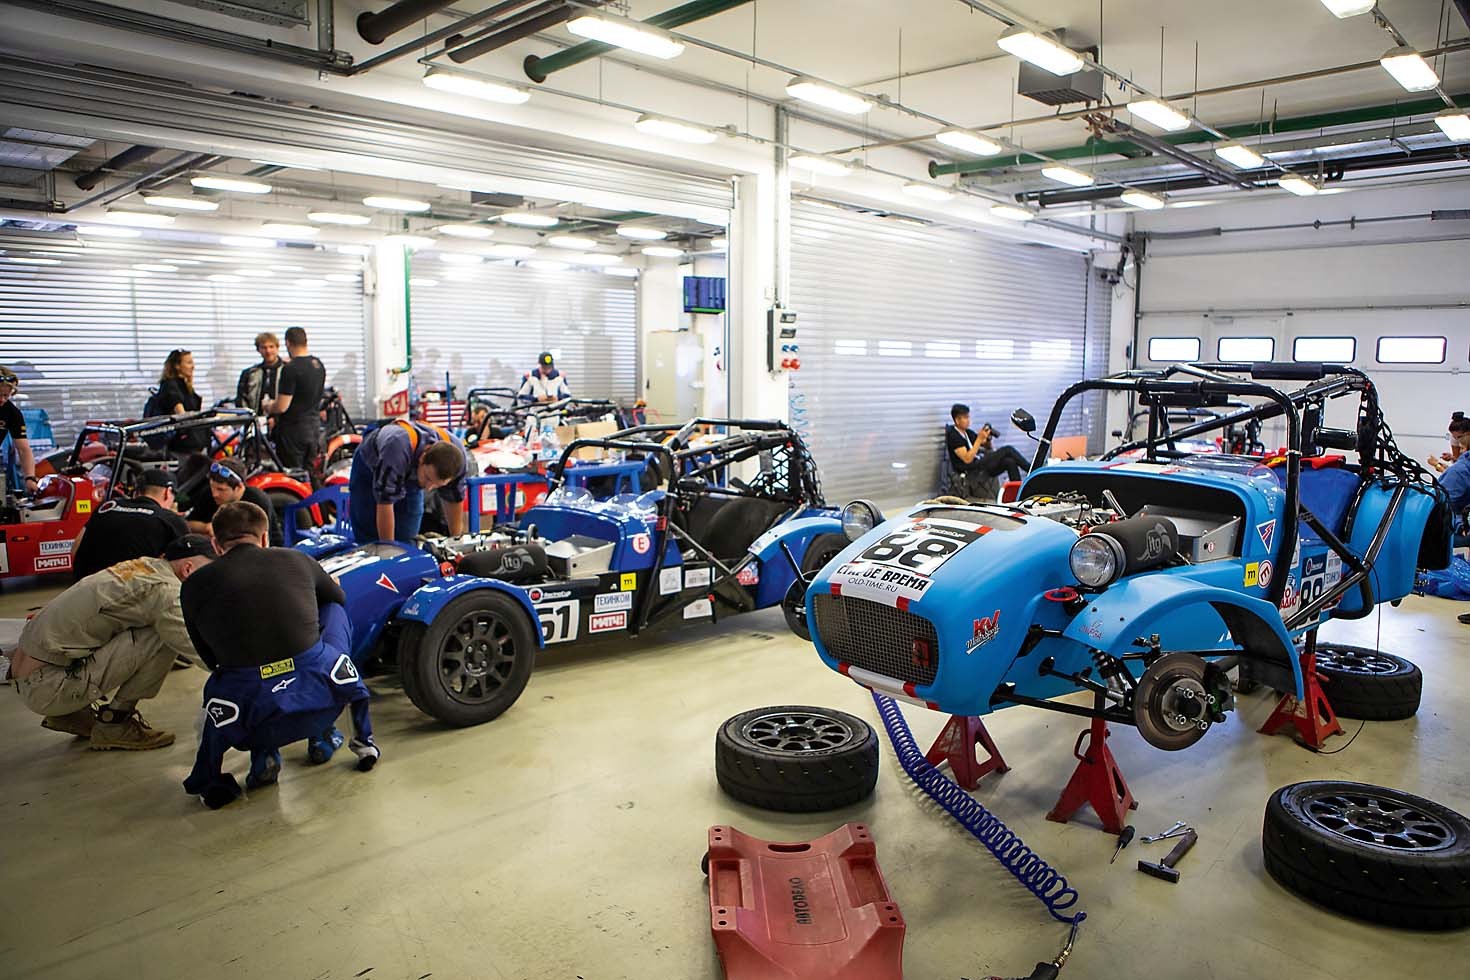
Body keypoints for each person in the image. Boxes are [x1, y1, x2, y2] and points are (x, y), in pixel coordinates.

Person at [180, 502, 378, 808]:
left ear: (216, 545)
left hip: (247, 718)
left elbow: (208, 657)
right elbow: (337, 597)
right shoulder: (296, 559)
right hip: (322, 698)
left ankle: (265, 754)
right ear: (263, 538)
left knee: (238, 666)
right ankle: (339, 738)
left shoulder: (193, 585)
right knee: (331, 605)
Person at [6, 534, 214, 750]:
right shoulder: (166, 592)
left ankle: (72, 714)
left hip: (29, 673)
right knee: (161, 634)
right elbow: (196, 649)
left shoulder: (144, 566)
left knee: (134, 625)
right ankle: (115, 724)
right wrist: (235, 671)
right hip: (47, 687)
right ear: (188, 569)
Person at [348, 419, 468, 544]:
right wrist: (388, 550)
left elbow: (454, 499)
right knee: (369, 533)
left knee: (407, 535)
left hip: (410, 468)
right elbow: (385, 502)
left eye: (437, 485)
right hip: (371, 466)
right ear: (422, 458)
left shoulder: (458, 460)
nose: (428, 488)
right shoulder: (396, 448)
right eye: (428, 478)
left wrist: (456, 543)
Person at [71, 469, 189, 580]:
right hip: (131, 591)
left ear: (136, 491)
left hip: (86, 586)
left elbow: (75, 548)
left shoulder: (107, 507)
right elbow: (187, 567)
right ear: (167, 492)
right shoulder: (170, 519)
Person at [184, 456, 282, 546]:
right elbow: (188, 524)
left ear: (239, 487)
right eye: (212, 487)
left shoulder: (257, 502)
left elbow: (263, 542)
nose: (215, 494)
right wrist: (205, 527)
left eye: (221, 489)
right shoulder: (209, 494)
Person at [266, 327, 326, 471]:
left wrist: (268, 406)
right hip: (313, 429)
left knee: (293, 475)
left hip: (293, 432)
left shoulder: (291, 368)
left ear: (287, 343)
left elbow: (282, 406)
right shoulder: (318, 365)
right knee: (310, 473)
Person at [945, 404, 1030, 498]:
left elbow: (987, 447)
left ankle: (1018, 494)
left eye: (968, 417)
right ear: (957, 420)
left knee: (1009, 462)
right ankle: (1031, 470)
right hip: (970, 470)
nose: (968, 420)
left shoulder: (967, 433)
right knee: (1008, 449)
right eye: (965, 418)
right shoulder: (954, 435)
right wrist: (979, 439)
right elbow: (967, 459)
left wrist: (987, 438)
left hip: (980, 465)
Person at [150, 349, 210, 455]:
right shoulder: (171, 386)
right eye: (189, 363)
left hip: (193, 442)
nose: (193, 366)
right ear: (177, 366)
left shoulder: (185, 386)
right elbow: (182, 415)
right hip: (181, 445)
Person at [0, 365, 38, 496]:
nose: (2, 400)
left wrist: (30, 478)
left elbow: (23, 449)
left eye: (6, 396)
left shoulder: (12, 413)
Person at [235, 332, 285, 416]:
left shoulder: (288, 371)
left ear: (277, 347)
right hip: (255, 419)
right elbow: (241, 401)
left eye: (271, 347)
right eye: (264, 347)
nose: (268, 351)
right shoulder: (249, 374)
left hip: (284, 421)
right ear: (258, 350)